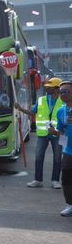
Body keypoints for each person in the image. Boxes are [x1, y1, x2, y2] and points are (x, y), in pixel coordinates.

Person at [16, 77, 64, 188]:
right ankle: (38, 180)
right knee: (38, 156)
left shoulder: (64, 101)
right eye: (46, 87)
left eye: (49, 87)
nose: (46, 88)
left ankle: (55, 181)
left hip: (58, 134)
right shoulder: (41, 100)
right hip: (43, 134)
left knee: (57, 158)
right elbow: (33, 112)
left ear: (57, 88)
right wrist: (20, 109)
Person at [53, 81, 72, 216]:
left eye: (67, 91)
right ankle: (70, 205)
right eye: (62, 92)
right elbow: (62, 132)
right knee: (66, 179)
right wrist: (54, 132)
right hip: (68, 151)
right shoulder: (61, 111)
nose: (64, 94)